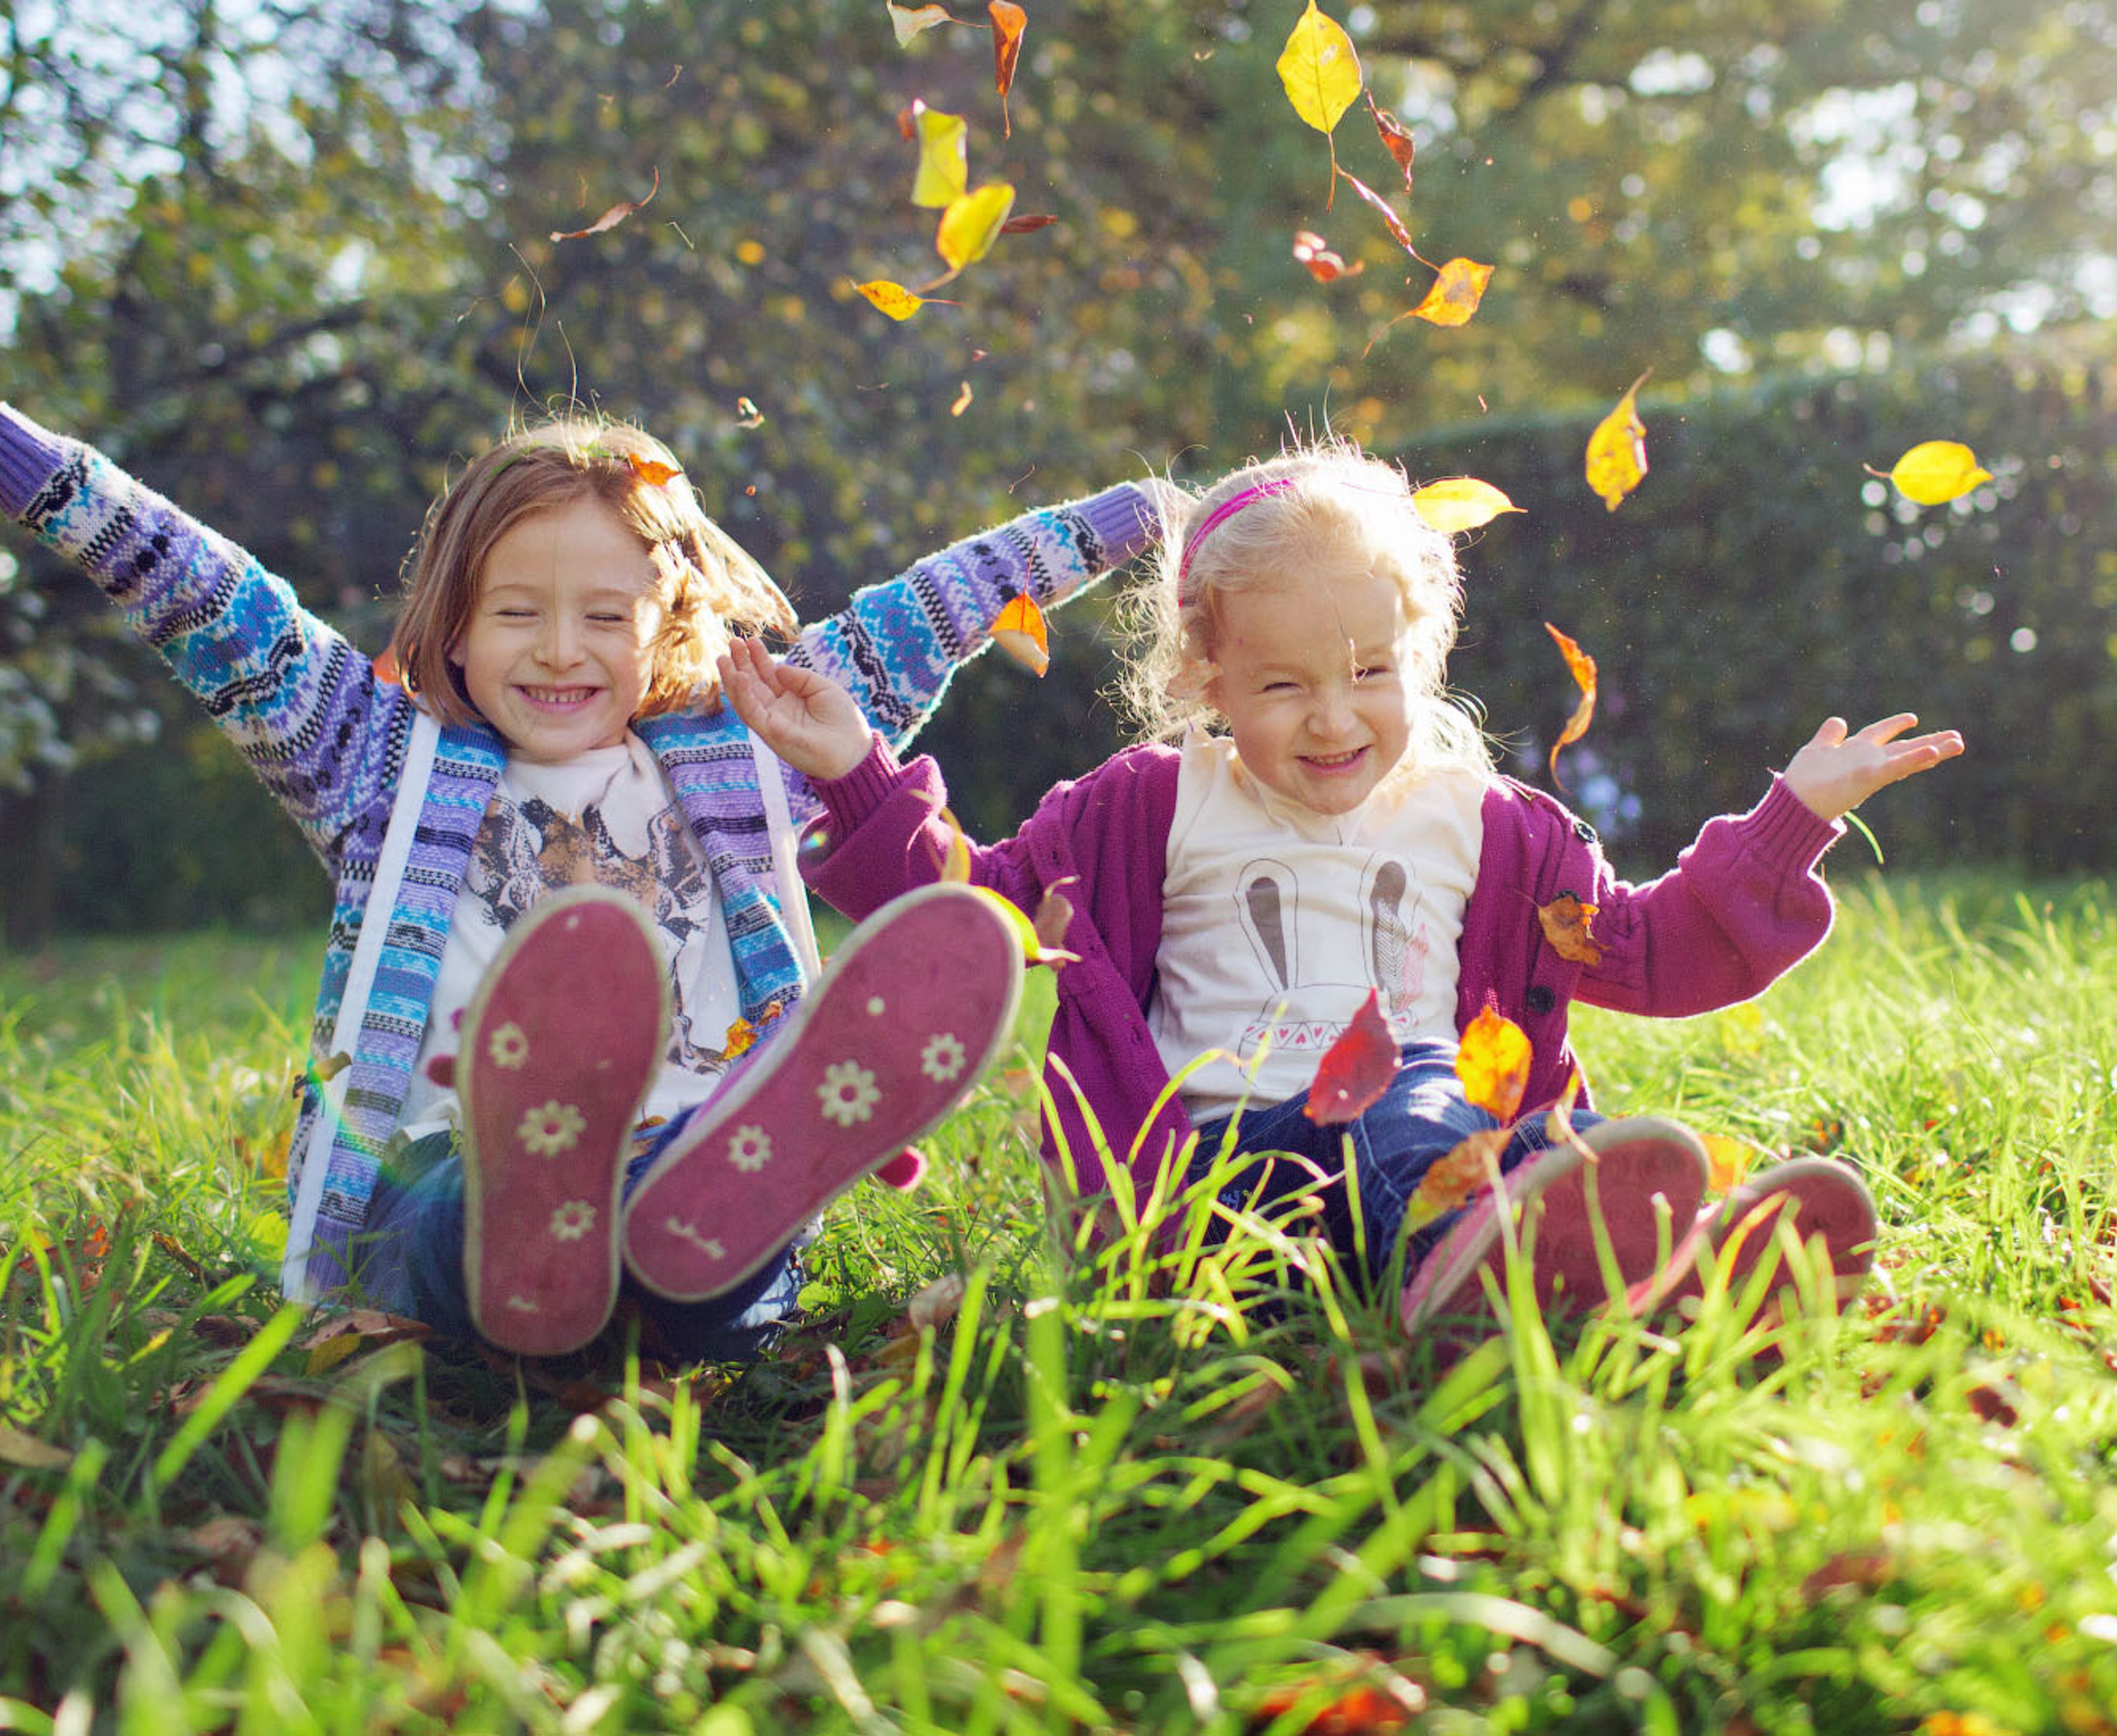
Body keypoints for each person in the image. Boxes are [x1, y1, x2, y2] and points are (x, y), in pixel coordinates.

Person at [719, 438, 1965, 1339]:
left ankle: (1668, 1267)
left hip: (1422, 1134)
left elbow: (1648, 950)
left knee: (1453, 1119)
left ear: (1420, 653)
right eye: (1281, 686)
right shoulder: (1145, 808)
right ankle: (1510, 1260)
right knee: (1391, 1115)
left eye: (1370, 670)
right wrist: (855, 774)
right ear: (1207, 675)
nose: (1332, 719)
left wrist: (1789, 820)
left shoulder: (1490, 827)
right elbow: (973, 918)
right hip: (1206, 1181)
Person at [0, 400, 1161, 1361]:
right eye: (517, 613)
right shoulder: (373, 760)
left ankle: (713, 1218)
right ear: (452, 627)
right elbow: (207, 600)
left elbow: (931, 614)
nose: (561, 647)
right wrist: (38, 474)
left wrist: (1139, 519)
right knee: (461, 1214)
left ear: (667, 628)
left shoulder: (751, 751)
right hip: (446, 1191)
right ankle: (540, 1225)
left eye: (605, 615)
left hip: (696, 1186)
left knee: (703, 1226)